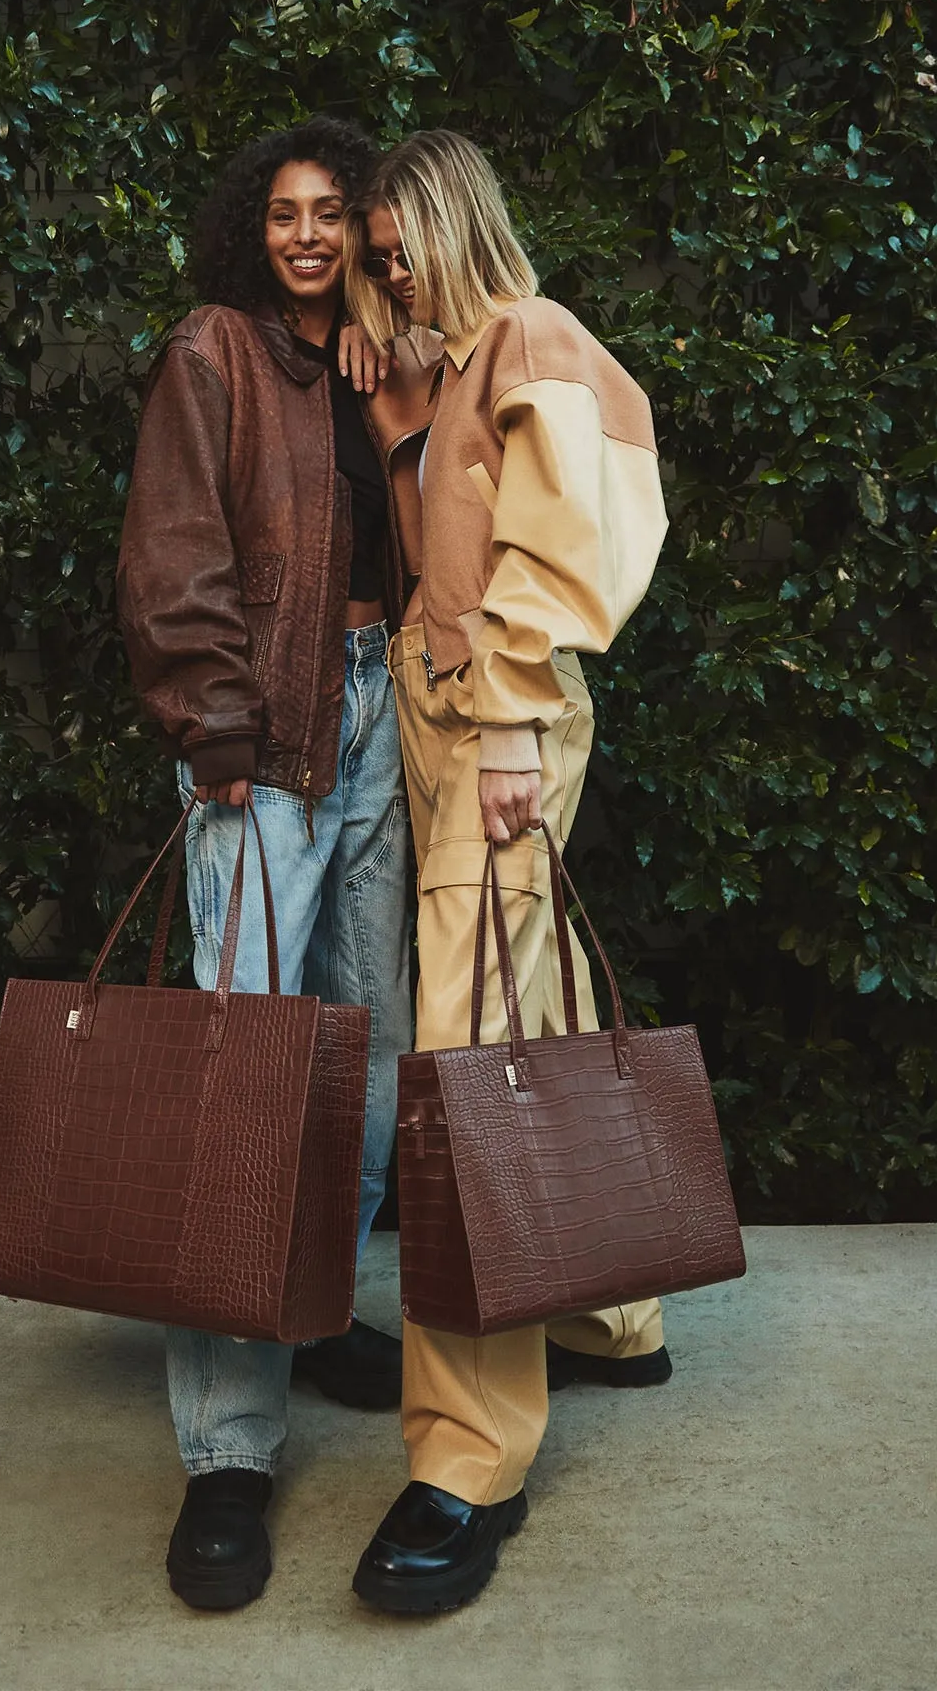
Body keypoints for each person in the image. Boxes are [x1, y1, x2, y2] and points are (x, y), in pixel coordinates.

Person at [341, 129, 671, 1614]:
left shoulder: (534, 337)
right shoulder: (448, 362)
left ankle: (466, 1457)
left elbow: (577, 542)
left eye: (399, 237)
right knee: (521, 1008)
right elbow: (444, 538)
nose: (384, 259)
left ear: (460, 219)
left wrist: (521, 710)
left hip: (497, 716)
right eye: (371, 244)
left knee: (464, 1055)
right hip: (439, 699)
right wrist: (394, 389)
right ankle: (606, 1307)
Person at [115, 116, 437, 1611]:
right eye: (287, 214)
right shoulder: (215, 353)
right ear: (253, 227)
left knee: (360, 1059)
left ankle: (307, 1311)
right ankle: (229, 1446)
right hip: (261, 745)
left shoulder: (370, 362)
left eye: (333, 216)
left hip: (381, 723)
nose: (308, 235)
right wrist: (214, 730)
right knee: (244, 1085)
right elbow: (175, 550)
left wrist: (399, 379)